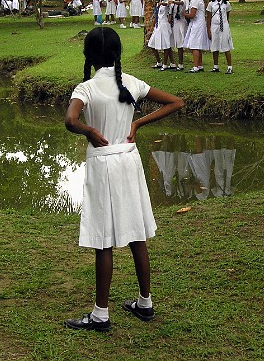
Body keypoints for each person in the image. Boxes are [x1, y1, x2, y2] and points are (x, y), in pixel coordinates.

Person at [64, 27, 184, 332]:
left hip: (103, 164)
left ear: (89, 56)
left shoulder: (86, 88)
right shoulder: (131, 83)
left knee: (103, 241)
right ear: (118, 55)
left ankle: (100, 314)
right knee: (136, 232)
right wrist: (138, 123)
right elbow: (176, 102)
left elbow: (70, 120)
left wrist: (89, 131)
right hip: (129, 161)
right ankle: (145, 303)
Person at [182, 0, 210, 73]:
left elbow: (192, 15)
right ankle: (200, 65)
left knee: (194, 45)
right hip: (198, 23)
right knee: (197, 45)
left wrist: (184, 14)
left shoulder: (195, 0)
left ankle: (195, 66)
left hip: (197, 23)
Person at [206, 0, 233, 74]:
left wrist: (226, 25)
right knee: (215, 46)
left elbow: (227, 16)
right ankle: (215, 66)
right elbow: (209, 17)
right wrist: (209, 30)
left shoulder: (226, 4)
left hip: (224, 26)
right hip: (214, 26)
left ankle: (229, 67)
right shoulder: (211, 4)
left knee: (226, 46)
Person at [148, 0, 175, 71]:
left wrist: (162, 3)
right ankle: (159, 62)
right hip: (158, 26)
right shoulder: (157, 4)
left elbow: (168, 4)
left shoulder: (168, 3)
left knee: (166, 45)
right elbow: (156, 15)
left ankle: (165, 64)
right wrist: (152, 27)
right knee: (151, 44)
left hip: (165, 26)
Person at [169, 0, 188, 71]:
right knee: (173, 43)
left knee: (180, 44)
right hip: (174, 24)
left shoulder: (184, 0)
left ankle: (181, 64)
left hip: (181, 23)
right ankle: (172, 63)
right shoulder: (172, 2)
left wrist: (173, 1)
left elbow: (181, 3)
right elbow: (170, 13)